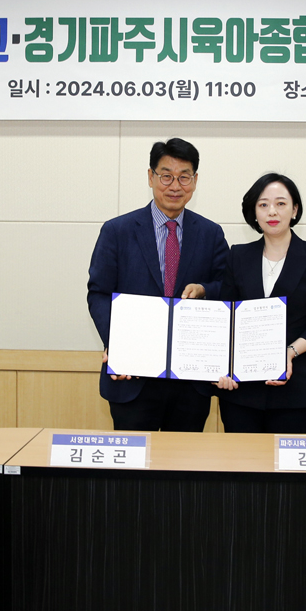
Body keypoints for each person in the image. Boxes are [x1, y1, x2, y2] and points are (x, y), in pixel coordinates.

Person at [87, 138, 229, 431]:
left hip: (190, 380)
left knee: (184, 459)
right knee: (134, 459)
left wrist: (204, 290)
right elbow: (99, 293)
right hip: (134, 376)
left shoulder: (211, 233)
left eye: (184, 177)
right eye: (166, 176)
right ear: (150, 177)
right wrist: (119, 344)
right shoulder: (117, 231)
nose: (175, 186)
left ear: (195, 181)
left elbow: (227, 287)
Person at [214, 173, 306, 434]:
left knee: (289, 461)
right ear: (254, 212)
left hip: (296, 390)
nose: (272, 211)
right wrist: (220, 368)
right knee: (241, 460)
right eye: (263, 204)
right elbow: (225, 319)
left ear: (295, 210)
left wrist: (289, 352)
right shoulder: (238, 255)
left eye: (281, 203)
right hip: (241, 391)